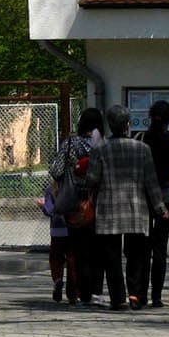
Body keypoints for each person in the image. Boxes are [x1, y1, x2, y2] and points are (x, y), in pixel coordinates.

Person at [84, 104, 169, 309]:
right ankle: (135, 294)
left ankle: (118, 298)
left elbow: (92, 180)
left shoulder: (100, 150)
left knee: (111, 256)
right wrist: (160, 208)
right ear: (128, 124)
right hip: (137, 208)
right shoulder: (142, 149)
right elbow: (151, 182)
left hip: (109, 209)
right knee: (137, 254)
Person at [48, 107, 104, 306]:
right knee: (96, 249)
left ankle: (79, 293)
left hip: (74, 203)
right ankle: (96, 291)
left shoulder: (70, 143)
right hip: (98, 202)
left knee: (76, 250)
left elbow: (55, 170)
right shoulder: (102, 145)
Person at [137, 100, 169, 307]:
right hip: (166, 195)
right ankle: (157, 296)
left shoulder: (142, 140)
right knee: (160, 248)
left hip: (143, 195)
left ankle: (141, 294)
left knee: (143, 248)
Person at [38, 183, 76, 302]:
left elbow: (49, 210)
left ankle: (57, 278)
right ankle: (73, 293)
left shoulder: (51, 189)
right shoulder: (75, 186)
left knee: (55, 258)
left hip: (57, 229)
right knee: (72, 261)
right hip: (73, 227)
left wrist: (42, 206)